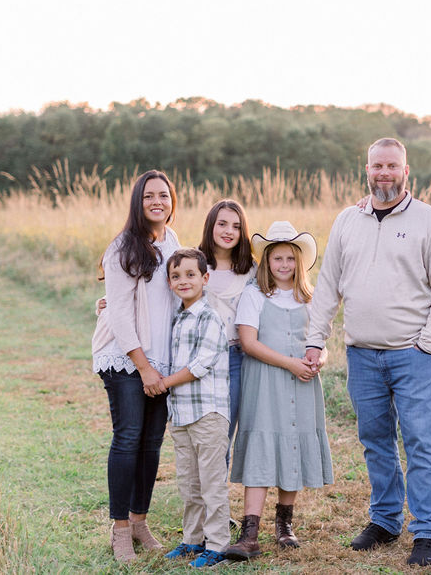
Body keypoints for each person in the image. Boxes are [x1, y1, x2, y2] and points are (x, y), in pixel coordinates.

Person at [305, 137, 431, 567]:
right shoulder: (347, 220)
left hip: (413, 354)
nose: (384, 173)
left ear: (406, 171)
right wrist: (315, 339)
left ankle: (426, 531)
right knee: (375, 441)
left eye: (393, 165)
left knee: (421, 442)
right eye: (377, 166)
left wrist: (430, 340)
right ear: (367, 169)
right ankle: (386, 519)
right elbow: (329, 284)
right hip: (362, 354)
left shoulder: (430, 220)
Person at [225, 221, 334, 561]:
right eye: (277, 259)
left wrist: (319, 360)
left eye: (290, 259)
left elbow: (320, 342)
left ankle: (284, 524)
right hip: (266, 379)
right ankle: (249, 532)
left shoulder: (310, 298)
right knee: (261, 445)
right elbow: (248, 342)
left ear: (298, 262)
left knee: (292, 444)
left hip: (302, 383)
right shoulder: (255, 295)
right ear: (267, 262)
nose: (284, 265)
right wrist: (289, 363)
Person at [91, 169, 180, 563]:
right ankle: (120, 530)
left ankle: (140, 521)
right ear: (137, 202)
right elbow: (123, 318)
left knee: (152, 443)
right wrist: (144, 368)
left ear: (172, 200)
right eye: (148, 196)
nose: (157, 202)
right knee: (128, 439)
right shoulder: (123, 248)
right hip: (126, 359)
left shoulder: (174, 241)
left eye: (163, 195)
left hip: (162, 361)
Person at [159, 248, 232, 568]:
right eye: (176, 276)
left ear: (205, 278)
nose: (183, 281)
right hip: (181, 414)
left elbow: (200, 365)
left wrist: (164, 383)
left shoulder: (209, 317)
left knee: (211, 482)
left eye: (190, 275)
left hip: (208, 413)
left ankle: (217, 543)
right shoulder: (175, 316)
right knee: (189, 482)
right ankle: (192, 538)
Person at [196, 200, 257, 455]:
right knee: (200, 429)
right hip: (200, 357)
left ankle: (216, 493)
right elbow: (164, 294)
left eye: (236, 226)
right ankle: (198, 492)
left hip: (235, 358)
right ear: (211, 225)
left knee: (224, 432)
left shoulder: (250, 269)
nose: (228, 231)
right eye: (222, 224)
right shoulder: (194, 263)